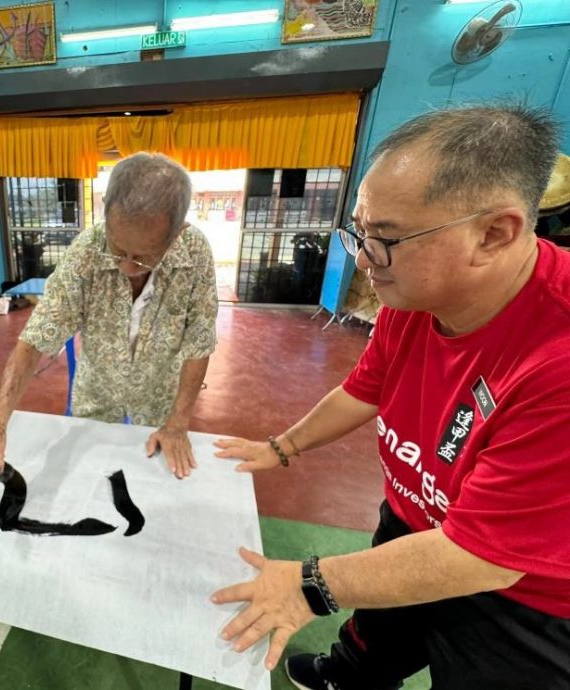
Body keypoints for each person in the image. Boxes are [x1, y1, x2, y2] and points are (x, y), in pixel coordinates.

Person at [211, 104, 570, 689]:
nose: (362, 257)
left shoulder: (556, 360)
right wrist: (282, 447)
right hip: (417, 516)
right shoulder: (415, 296)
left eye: (385, 239)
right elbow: (367, 389)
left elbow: (483, 556)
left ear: (493, 233)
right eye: (359, 230)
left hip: (524, 592)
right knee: (378, 633)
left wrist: (309, 584)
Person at [0, 152, 218, 480]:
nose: (127, 267)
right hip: (96, 395)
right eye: (117, 249)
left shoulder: (195, 252)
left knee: (153, 487)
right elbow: (37, 337)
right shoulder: (87, 250)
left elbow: (199, 341)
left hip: (162, 399)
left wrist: (178, 423)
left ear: (177, 232)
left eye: (143, 258)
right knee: (86, 484)